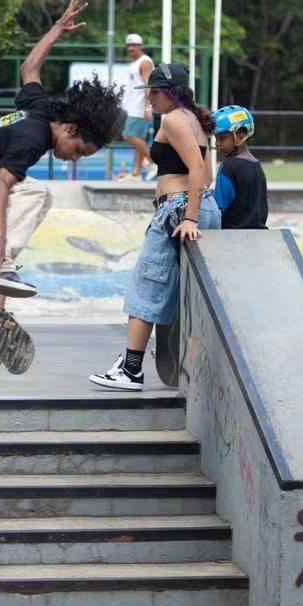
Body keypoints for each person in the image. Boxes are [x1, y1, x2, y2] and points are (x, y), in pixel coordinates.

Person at [0, 0, 124, 307]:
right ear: (70, 128)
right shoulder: (33, 139)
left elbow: (30, 66)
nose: (74, 158)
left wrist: (57, 28)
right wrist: (3, 243)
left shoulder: (40, 106)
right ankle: (0, 263)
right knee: (35, 194)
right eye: (78, 151)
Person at [89, 62, 220, 391]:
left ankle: (131, 369)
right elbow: (206, 174)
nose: (149, 99)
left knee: (146, 284)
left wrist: (188, 216)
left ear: (171, 93)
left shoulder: (174, 120)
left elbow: (195, 168)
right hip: (193, 206)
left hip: (178, 209)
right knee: (182, 294)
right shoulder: (194, 119)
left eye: (155, 92)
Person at [212, 105, 268, 229]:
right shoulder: (257, 166)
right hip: (258, 237)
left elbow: (216, 210)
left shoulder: (227, 168)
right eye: (216, 138)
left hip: (231, 239)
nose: (216, 143)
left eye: (222, 138)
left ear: (241, 135)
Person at [116, 33, 155, 182]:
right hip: (133, 106)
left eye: (134, 45)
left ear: (141, 46)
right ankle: (136, 174)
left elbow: (148, 85)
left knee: (128, 135)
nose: (131, 48)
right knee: (138, 139)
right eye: (129, 45)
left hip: (140, 108)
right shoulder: (135, 63)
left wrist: (147, 107)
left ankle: (153, 163)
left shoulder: (144, 62)